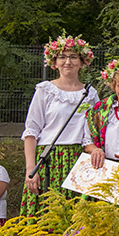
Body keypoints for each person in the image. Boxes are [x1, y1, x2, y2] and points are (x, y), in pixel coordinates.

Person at [21, 34, 99, 217]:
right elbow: (31, 132)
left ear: (82, 62)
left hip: (78, 160)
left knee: (73, 224)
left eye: (73, 57)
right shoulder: (45, 90)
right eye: (62, 57)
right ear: (54, 62)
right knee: (44, 222)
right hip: (49, 159)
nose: (67, 62)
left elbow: (93, 132)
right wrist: (30, 169)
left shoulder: (91, 94)